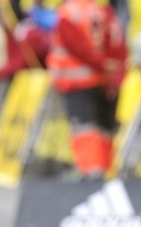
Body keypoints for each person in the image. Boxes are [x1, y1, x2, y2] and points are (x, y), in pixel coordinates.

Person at [46, 0, 128, 180]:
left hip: (75, 81)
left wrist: (102, 65)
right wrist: (113, 75)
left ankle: (92, 171)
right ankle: (104, 168)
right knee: (102, 128)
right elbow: (115, 45)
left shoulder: (67, 13)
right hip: (100, 80)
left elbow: (76, 46)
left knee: (85, 128)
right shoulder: (101, 11)